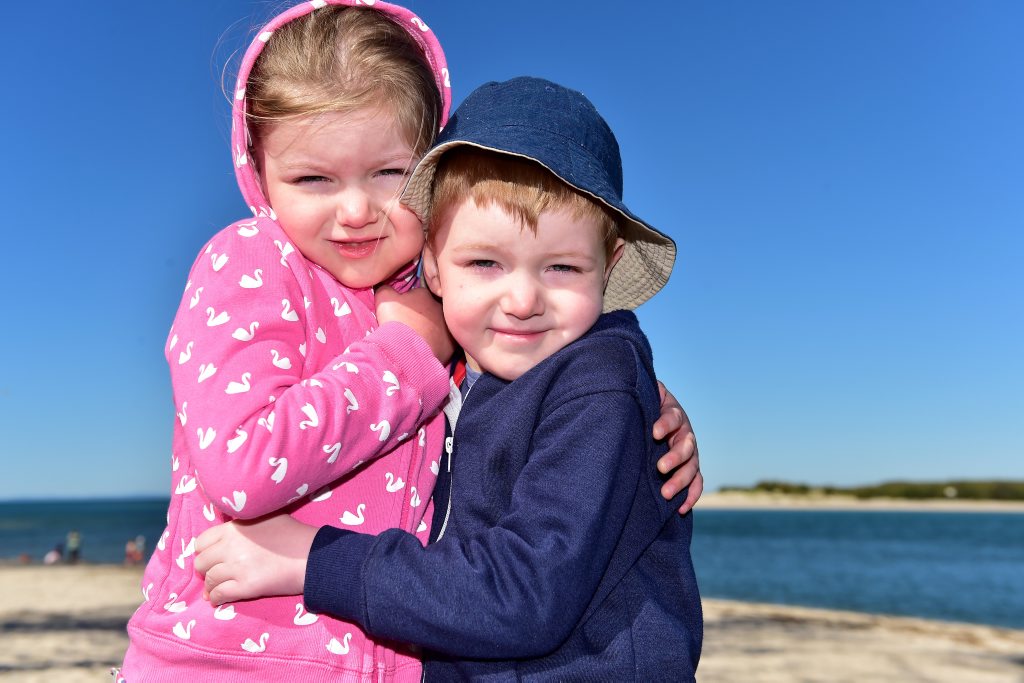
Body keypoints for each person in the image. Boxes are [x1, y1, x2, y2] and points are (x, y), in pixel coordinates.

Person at [119, 2, 699, 681]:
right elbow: (243, 465)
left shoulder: (454, 308)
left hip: (391, 661)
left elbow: (545, 417)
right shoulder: (253, 262)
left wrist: (641, 412)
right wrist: (407, 352)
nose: (355, 210)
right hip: (230, 659)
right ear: (260, 174)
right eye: (313, 178)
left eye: (389, 173)